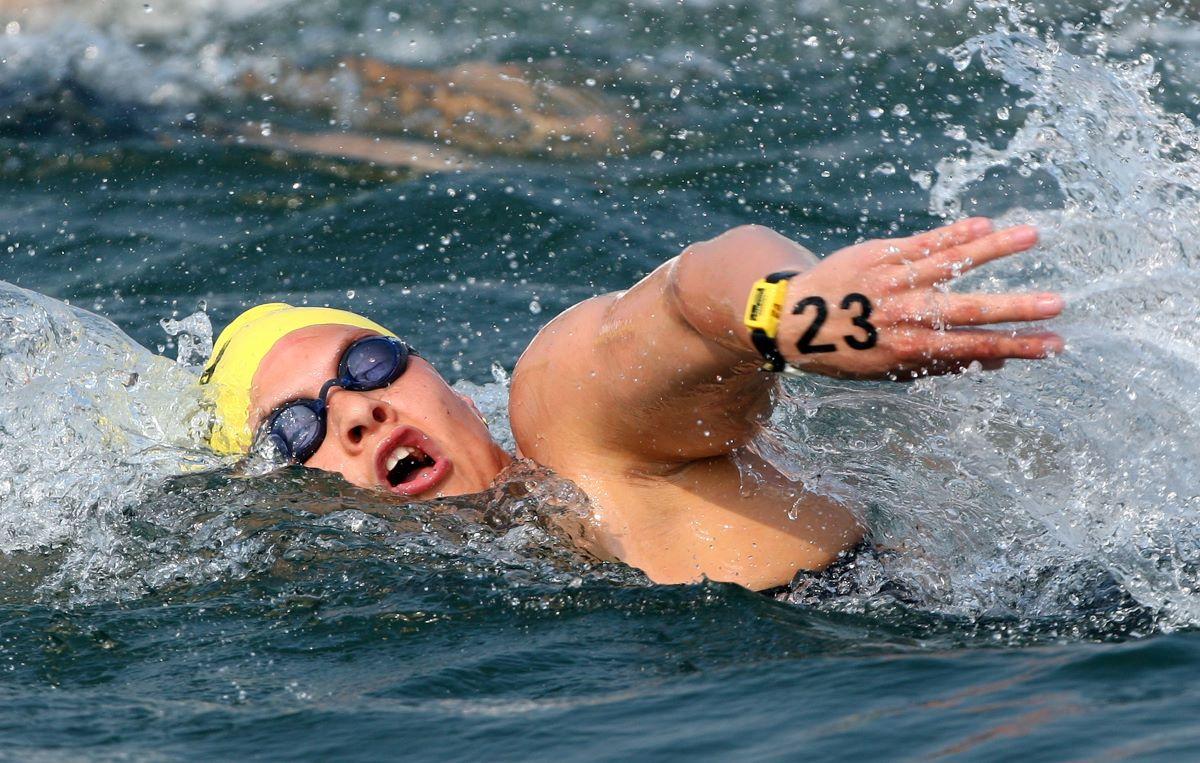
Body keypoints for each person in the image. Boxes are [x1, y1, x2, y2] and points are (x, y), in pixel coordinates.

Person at [199, 218, 1063, 591]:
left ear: (448, 385)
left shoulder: (569, 431)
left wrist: (790, 313)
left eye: (369, 361)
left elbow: (688, 295)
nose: (359, 411)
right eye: (296, 427)